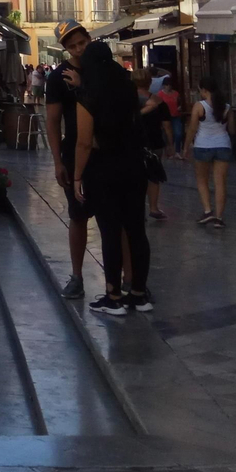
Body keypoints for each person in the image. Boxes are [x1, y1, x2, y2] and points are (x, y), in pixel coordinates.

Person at [68, 41, 153, 315]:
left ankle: (113, 296)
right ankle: (139, 294)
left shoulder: (89, 93)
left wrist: (77, 176)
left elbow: (84, 142)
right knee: (136, 230)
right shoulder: (128, 88)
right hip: (134, 166)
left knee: (110, 232)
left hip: (104, 169)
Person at [45, 20, 94, 300]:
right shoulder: (58, 78)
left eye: (82, 43)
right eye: (72, 46)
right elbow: (53, 121)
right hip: (74, 153)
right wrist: (57, 161)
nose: (78, 49)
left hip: (108, 152)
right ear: (65, 48)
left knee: (118, 217)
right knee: (77, 216)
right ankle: (77, 276)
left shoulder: (102, 69)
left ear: (89, 39)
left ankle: (127, 279)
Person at [186, 80, 234, 227]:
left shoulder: (199, 106)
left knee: (202, 180)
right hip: (223, 145)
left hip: (203, 145)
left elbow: (192, 128)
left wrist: (185, 146)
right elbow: (232, 130)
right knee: (220, 182)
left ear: (204, 90)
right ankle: (219, 217)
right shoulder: (227, 107)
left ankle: (208, 211)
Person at [136, 71, 171, 220]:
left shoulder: (128, 99)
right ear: (149, 82)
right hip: (155, 141)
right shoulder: (158, 101)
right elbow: (167, 125)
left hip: (135, 142)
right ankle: (154, 207)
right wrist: (170, 144)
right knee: (154, 174)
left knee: (136, 176)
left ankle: (138, 209)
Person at [159, 75, 185, 159]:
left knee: (178, 133)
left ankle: (177, 151)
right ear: (164, 85)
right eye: (167, 85)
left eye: (170, 85)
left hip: (176, 115)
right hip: (165, 117)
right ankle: (169, 151)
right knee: (167, 135)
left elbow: (180, 103)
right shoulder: (160, 94)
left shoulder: (176, 94)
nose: (169, 86)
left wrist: (180, 107)